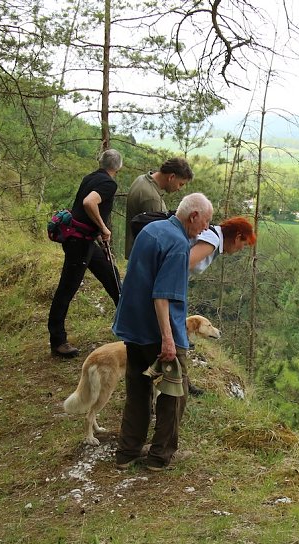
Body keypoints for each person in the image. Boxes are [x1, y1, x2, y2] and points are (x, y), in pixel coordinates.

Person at [113, 192, 213, 471]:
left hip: (133, 327)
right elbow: (161, 296)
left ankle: (127, 451)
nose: (205, 229)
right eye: (205, 222)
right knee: (174, 394)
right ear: (193, 216)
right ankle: (159, 456)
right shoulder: (179, 245)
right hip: (159, 331)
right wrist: (168, 339)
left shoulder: (151, 230)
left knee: (137, 389)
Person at [48, 149, 123, 358]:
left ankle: (128, 326)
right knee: (67, 289)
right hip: (79, 243)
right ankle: (58, 341)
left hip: (85, 240)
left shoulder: (90, 177)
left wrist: (97, 232)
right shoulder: (109, 183)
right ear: (118, 167)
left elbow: (82, 211)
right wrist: (104, 228)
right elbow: (89, 203)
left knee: (111, 276)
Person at [124, 157, 194, 259]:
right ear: (171, 177)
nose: (179, 188)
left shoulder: (142, 179)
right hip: (144, 258)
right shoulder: (152, 198)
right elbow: (157, 237)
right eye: (180, 184)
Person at [189, 216, 257, 275]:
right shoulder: (213, 239)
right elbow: (185, 263)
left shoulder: (213, 237)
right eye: (244, 244)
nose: (242, 248)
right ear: (238, 238)